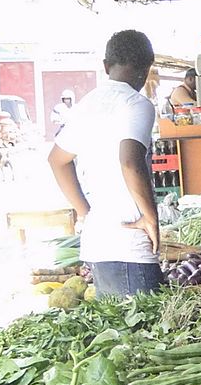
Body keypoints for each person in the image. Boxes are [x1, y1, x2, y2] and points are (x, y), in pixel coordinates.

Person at [48, 29, 162, 298]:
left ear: (106, 65)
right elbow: (130, 161)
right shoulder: (136, 104)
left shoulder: (86, 105)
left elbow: (57, 160)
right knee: (143, 334)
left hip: (98, 243)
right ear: (147, 69)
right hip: (129, 246)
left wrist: (85, 212)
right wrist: (150, 218)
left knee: (121, 335)